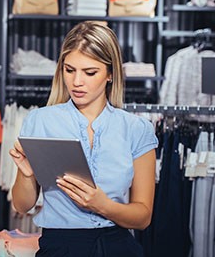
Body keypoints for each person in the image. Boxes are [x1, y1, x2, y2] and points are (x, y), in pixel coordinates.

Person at [9, 21, 158, 256]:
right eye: (69, 70)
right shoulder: (39, 121)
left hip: (118, 247)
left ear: (110, 74)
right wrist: (27, 175)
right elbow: (22, 205)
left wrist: (103, 205)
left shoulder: (137, 128)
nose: (77, 82)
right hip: (59, 248)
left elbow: (143, 217)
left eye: (90, 72)